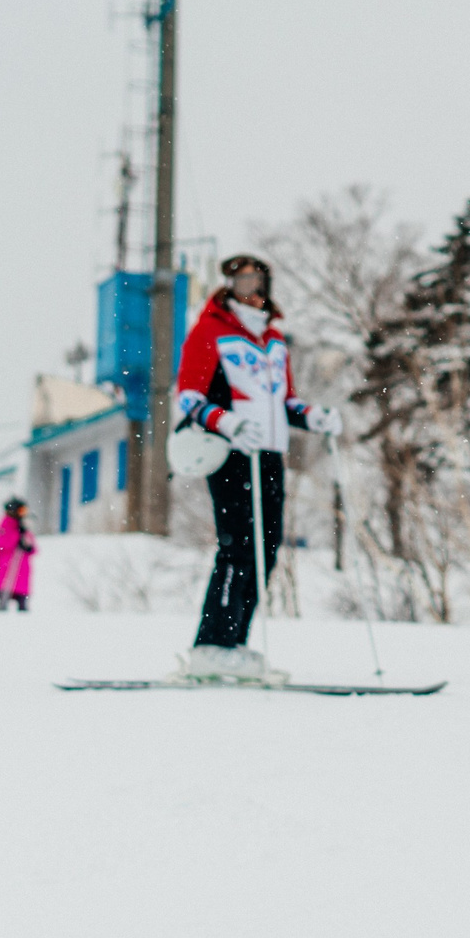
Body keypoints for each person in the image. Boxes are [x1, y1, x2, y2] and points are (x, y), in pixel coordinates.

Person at [174, 254, 343, 678]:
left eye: (259, 277)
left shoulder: (273, 341)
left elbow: (283, 401)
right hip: (231, 452)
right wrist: (226, 421)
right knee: (237, 545)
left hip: (269, 453)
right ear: (230, 284)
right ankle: (211, 642)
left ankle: (235, 641)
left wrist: (312, 416)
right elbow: (189, 397)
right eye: (243, 277)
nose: (253, 285)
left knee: (266, 548)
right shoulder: (210, 331)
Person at [0, 497, 35, 612]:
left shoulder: (23, 527)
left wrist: (28, 546)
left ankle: (22, 606)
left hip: (22, 569)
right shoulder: (5, 526)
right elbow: (3, 543)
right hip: (8, 567)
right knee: (5, 588)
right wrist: (17, 537)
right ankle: (2, 604)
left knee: (22, 598)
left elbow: (32, 547)